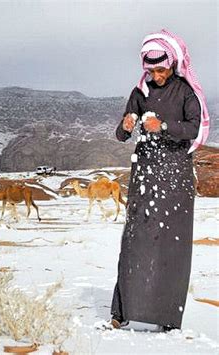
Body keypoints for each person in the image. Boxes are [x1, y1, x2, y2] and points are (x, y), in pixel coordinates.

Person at [110, 29, 210, 332]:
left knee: (171, 245)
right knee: (135, 240)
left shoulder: (185, 92)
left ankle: (166, 317)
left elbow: (194, 128)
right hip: (145, 173)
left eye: (161, 69)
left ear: (173, 63)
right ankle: (122, 312)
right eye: (151, 69)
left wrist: (162, 126)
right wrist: (126, 126)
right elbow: (121, 133)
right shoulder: (140, 92)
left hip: (176, 173)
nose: (156, 74)